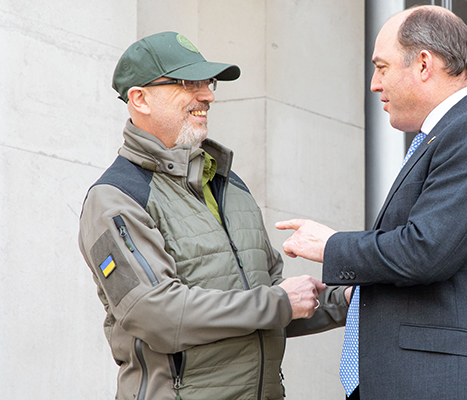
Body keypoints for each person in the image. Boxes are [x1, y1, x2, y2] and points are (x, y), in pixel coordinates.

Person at [276, 5, 467, 400]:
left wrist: (331, 246)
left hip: (462, 385)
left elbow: (426, 250)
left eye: (382, 67)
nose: (374, 84)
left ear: (423, 64)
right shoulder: (451, 134)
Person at [78, 31, 349, 400]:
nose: (208, 95)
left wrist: (345, 300)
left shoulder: (229, 185)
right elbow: (156, 314)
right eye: (189, 83)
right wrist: (279, 302)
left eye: (208, 83)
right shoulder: (115, 198)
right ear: (140, 99)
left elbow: (268, 301)